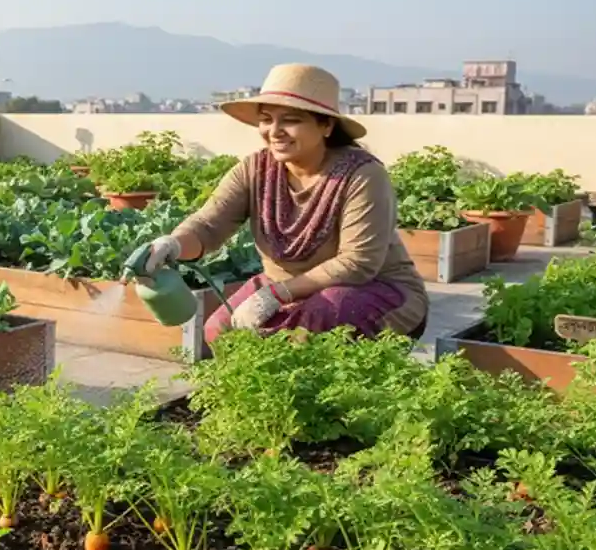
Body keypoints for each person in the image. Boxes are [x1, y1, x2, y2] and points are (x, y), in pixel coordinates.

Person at [138, 63, 428, 344]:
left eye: (291, 120)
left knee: (315, 324)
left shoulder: (362, 176)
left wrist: (276, 295)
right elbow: (209, 225)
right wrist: (172, 245)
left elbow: (357, 263)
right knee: (221, 332)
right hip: (284, 287)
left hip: (374, 291)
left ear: (326, 125)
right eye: (266, 119)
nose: (274, 131)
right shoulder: (255, 170)